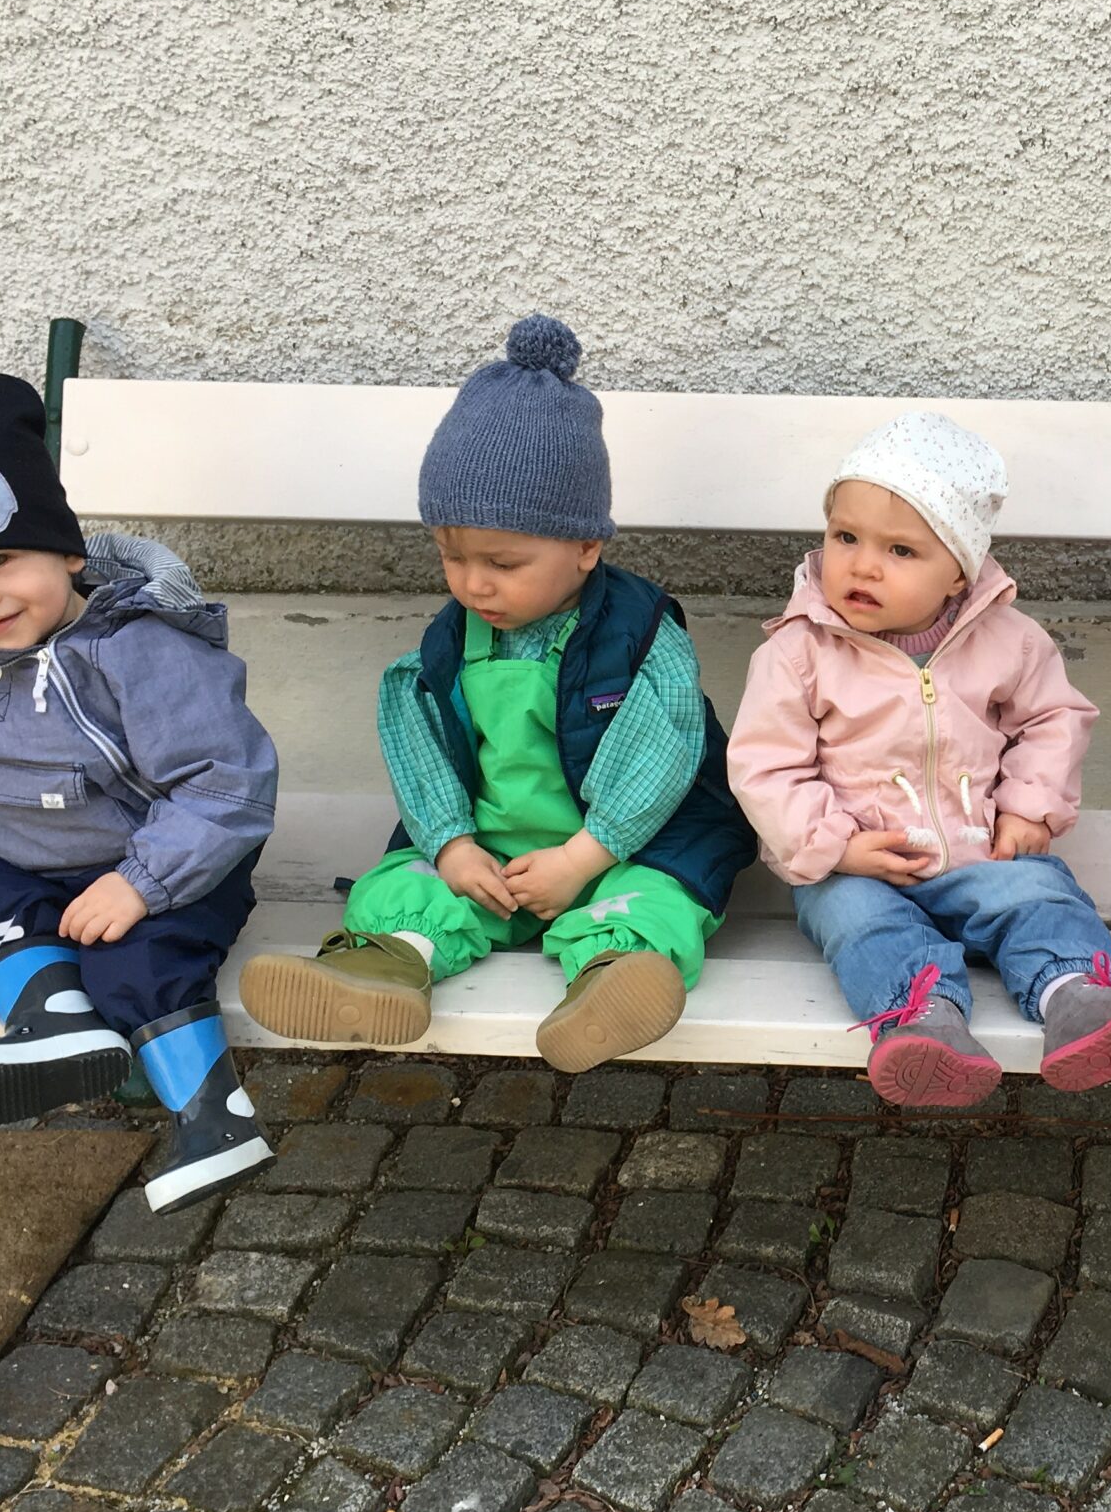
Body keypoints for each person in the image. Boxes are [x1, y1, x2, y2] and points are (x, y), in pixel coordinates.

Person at [239, 316, 755, 1072]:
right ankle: (384, 964)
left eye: (503, 563)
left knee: (656, 896)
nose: (473, 583)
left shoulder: (639, 635)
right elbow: (416, 737)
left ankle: (612, 980)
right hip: (499, 846)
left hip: (630, 840)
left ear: (587, 546)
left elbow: (664, 749)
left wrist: (585, 857)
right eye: (452, 556)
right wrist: (451, 844)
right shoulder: (451, 640)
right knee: (408, 879)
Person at [0, 373, 279, 1210]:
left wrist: (140, 883)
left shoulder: (139, 648)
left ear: (67, 551)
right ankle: (54, 1025)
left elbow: (228, 783)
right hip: (33, 866)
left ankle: (216, 1118)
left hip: (171, 860)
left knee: (137, 961)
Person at [727, 410, 1111, 1105]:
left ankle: (1078, 999)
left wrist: (1029, 807)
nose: (861, 563)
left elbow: (1054, 717)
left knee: (1038, 892)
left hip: (980, 852)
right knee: (862, 923)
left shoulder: (1008, 641)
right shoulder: (798, 654)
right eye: (845, 536)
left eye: (901, 551)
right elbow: (765, 766)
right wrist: (837, 847)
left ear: (958, 574)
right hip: (855, 868)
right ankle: (925, 1022)